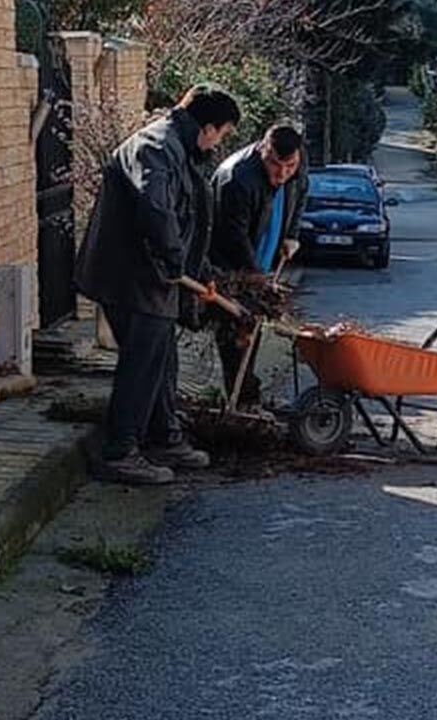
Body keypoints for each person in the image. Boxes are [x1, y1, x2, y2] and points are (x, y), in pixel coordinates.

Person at [74, 84, 240, 485]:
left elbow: (187, 220)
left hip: (153, 278)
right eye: (223, 133)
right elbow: (157, 208)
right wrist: (172, 262)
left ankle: (164, 437)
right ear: (208, 127)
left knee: (162, 359)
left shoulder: (177, 149)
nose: (220, 142)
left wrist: (198, 273)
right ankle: (120, 452)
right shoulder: (157, 147)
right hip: (133, 276)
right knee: (142, 366)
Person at [209, 124, 308, 403]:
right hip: (231, 270)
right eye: (275, 165)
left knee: (252, 335)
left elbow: (301, 192)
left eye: (289, 166)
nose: (282, 174)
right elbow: (234, 239)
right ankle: (242, 401)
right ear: (262, 150)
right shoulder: (237, 180)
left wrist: (291, 235)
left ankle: (247, 398)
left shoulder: (298, 163)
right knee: (236, 338)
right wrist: (257, 281)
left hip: (262, 264)